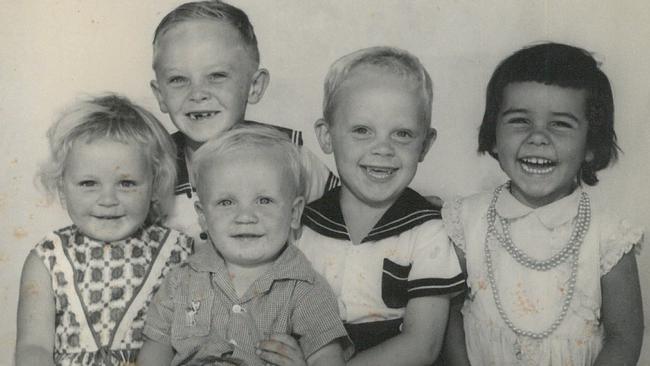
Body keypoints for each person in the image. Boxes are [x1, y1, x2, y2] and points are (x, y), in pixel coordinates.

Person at [441, 42, 644, 365]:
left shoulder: (608, 236)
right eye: (520, 120)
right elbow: (447, 315)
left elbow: (625, 336)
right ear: (493, 135)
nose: (538, 137)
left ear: (591, 144)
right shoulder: (467, 220)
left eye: (560, 124)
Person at [282, 46, 465, 365]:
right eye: (362, 131)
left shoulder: (426, 231)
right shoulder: (304, 224)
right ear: (326, 136)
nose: (382, 148)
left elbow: (423, 344)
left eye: (403, 134)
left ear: (425, 144)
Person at [138, 125, 350, 366]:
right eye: (226, 202)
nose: (245, 216)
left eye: (264, 200)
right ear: (203, 216)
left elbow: (327, 356)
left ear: (294, 213)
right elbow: (156, 347)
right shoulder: (180, 281)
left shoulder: (306, 290)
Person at [15, 94, 194, 365]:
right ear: (62, 185)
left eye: (127, 183)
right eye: (88, 183)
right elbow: (33, 348)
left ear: (155, 184)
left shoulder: (179, 254)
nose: (108, 200)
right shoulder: (48, 258)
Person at [150, 0, 338, 246]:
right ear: (160, 95)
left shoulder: (291, 155)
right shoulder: (152, 167)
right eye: (177, 79)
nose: (198, 93)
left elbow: (342, 228)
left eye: (217, 76)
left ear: (254, 86)